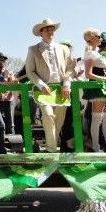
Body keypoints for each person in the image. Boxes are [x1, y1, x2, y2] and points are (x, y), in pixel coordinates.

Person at [25, 18, 73, 153]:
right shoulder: (33, 49)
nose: (50, 31)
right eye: (46, 29)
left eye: (52, 28)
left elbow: (70, 69)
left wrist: (66, 84)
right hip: (43, 89)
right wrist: (40, 84)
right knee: (47, 115)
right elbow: (30, 71)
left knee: (59, 119)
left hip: (61, 88)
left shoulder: (64, 49)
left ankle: (50, 146)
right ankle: (52, 150)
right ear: (41, 32)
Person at [82, 28, 106, 152]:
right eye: (98, 36)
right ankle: (96, 147)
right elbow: (88, 74)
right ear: (92, 38)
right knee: (97, 118)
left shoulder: (95, 53)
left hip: (102, 87)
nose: (100, 38)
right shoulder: (90, 53)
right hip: (97, 88)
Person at [0, 52, 16, 134]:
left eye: (2, 60)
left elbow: (13, 84)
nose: (1, 61)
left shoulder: (9, 72)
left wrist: (10, 94)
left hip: (8, 99)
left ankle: (12, 143)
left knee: (10, 123)